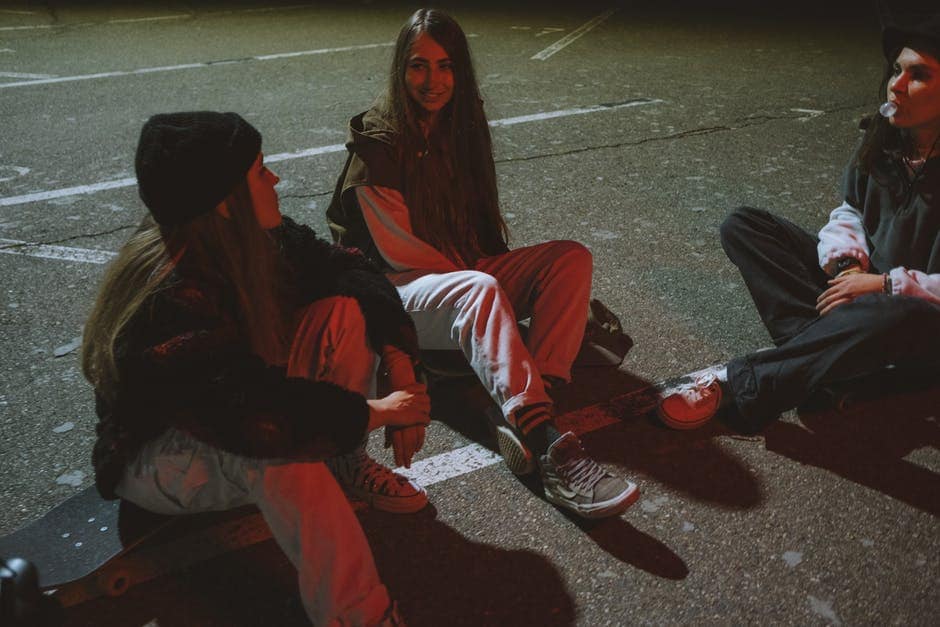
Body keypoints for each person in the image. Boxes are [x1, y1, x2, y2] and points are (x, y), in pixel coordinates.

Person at [82, 111, 432, 625]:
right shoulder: (171, 292)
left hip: (236, 412)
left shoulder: (252, 237)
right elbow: (252, 416)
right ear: (225, 200)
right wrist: (377, 411)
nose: (276, 180)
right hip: (159, 456)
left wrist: (401, 361)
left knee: (344, 307)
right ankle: (360, 616)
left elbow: (350, 266)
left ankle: (342, 458)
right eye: (261, 171)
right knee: (281, 451)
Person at [327, 9, 639, 519]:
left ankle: (534, 394)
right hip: (396, 289)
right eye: (418, 66)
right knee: (477, 288)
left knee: (570, 259)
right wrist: (489, 289)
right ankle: (547, 444)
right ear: (399, 71)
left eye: (446, 66)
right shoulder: (378, 146)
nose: (433, 82)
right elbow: (401, 254)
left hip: (462, 273)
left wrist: (495, 280)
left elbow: (480, 225)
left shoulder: (461, 125)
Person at [657, 13, 940, 431]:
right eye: (896, 70)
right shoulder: (888, 139)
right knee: (745, 226)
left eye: (920, 75)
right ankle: (828, 368)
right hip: (870, 296)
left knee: (896, 314)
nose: (896, 85)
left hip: (918, 319)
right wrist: (850, 267)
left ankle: (746, 382)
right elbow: (852, 211)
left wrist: (883, 286)